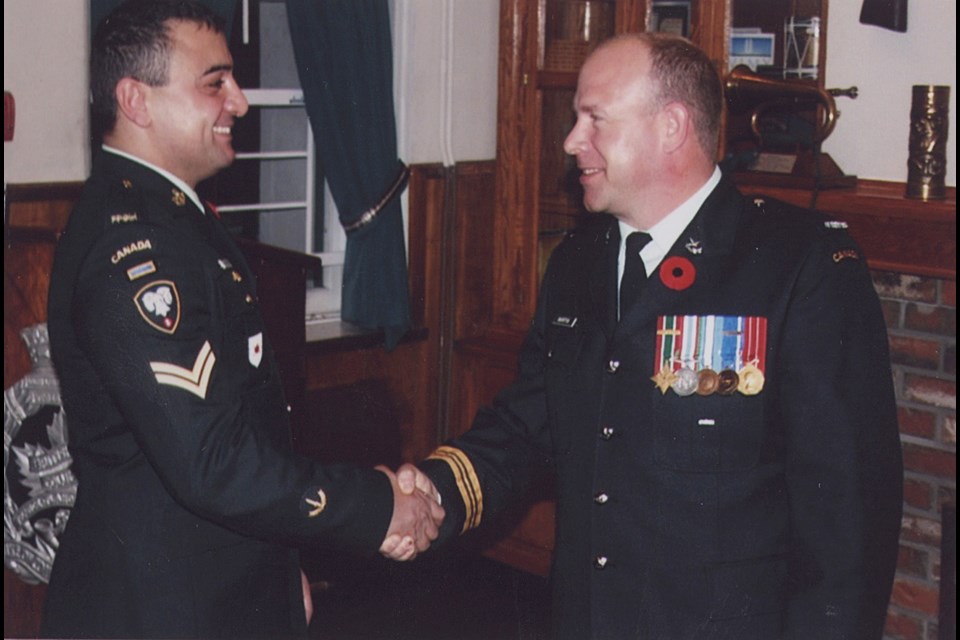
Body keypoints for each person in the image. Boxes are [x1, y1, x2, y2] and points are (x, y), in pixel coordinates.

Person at [398, 33, 904, 639]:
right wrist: (432, 491)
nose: (570, 141)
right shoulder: (577, 263)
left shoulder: (797, 267)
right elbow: (528, 426)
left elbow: (847, 520)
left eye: (595, 120)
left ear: (671, 126)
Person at [43, 1, 442, 638]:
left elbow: (246, 431)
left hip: (220, 584)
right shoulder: (134, 248)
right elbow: (213, 463)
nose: (240, 101)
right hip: (157, 607)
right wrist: (375, 506)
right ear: (136, 101)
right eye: (214, 83)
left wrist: (281, 573)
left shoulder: (178, 218)